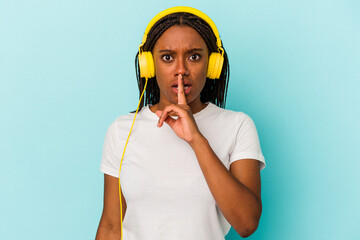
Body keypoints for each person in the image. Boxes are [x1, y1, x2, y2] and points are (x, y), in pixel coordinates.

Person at [96, 6, 266, 240]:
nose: (181, 70)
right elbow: (111, 227)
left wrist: (196, 139)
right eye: (167, 57)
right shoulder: (121, 130)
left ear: (213, 65)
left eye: (194, 56)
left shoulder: (237, 126)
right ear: (149, 65)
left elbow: (246, 224)